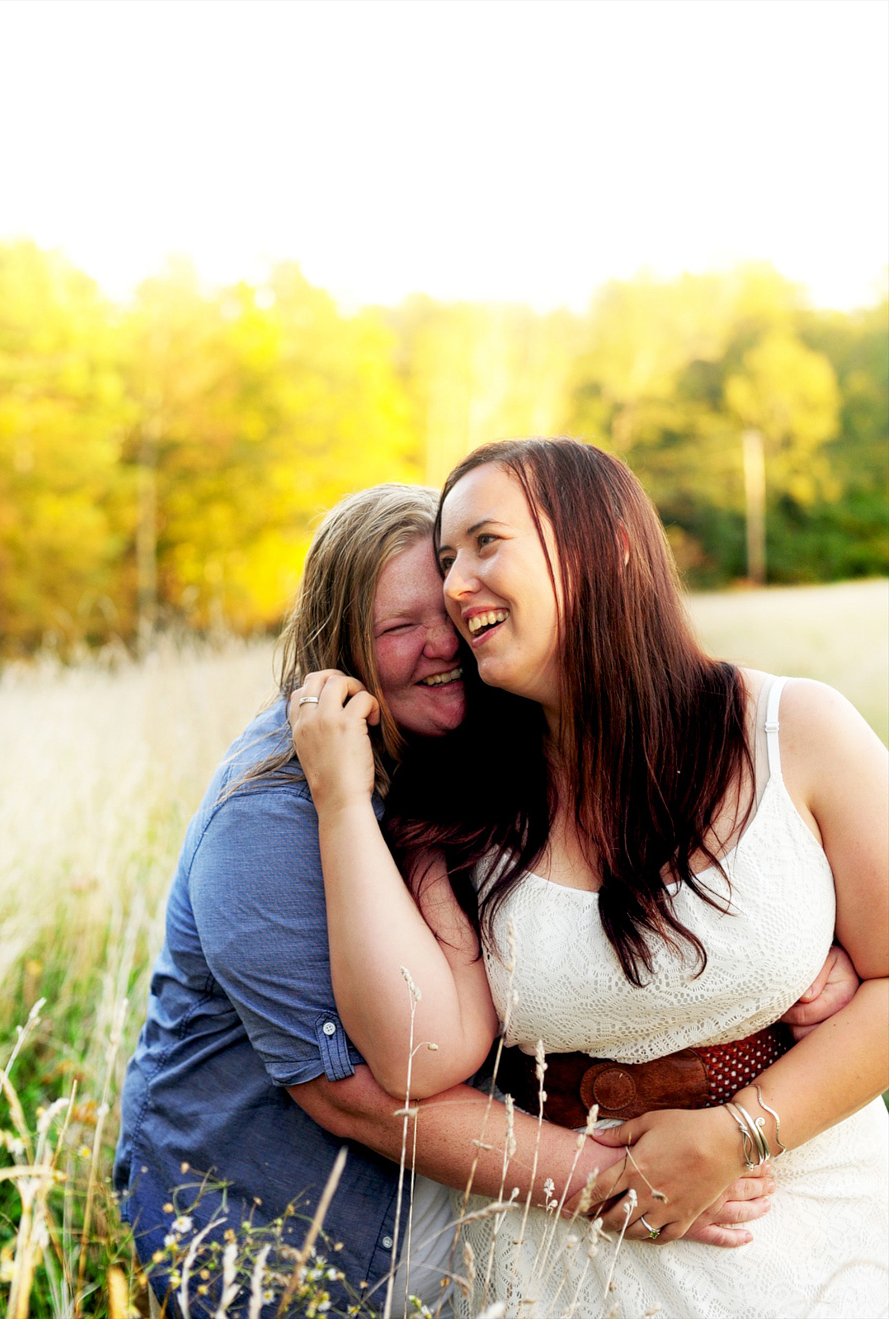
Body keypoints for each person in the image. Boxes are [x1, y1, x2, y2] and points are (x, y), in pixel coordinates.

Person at [118, 482, 800, 1318]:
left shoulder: (485, 745)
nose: (443, 646)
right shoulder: (271, 815)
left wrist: (807, 962)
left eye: (451, 612)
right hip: (276, 1227)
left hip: (462, 1208)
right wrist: (634, 1180)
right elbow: (356, 1095)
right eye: (399, 629)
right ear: (341, 649)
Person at [291, 439, 888, 1319]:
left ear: (604, 541)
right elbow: (416, 1053)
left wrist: (738, 1132)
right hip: (564, 1265)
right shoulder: (460, 808)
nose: (456, 585)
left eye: (485, 543)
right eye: (447, 559)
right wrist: (340, 803)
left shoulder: (794, 730)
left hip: (808, 1227)